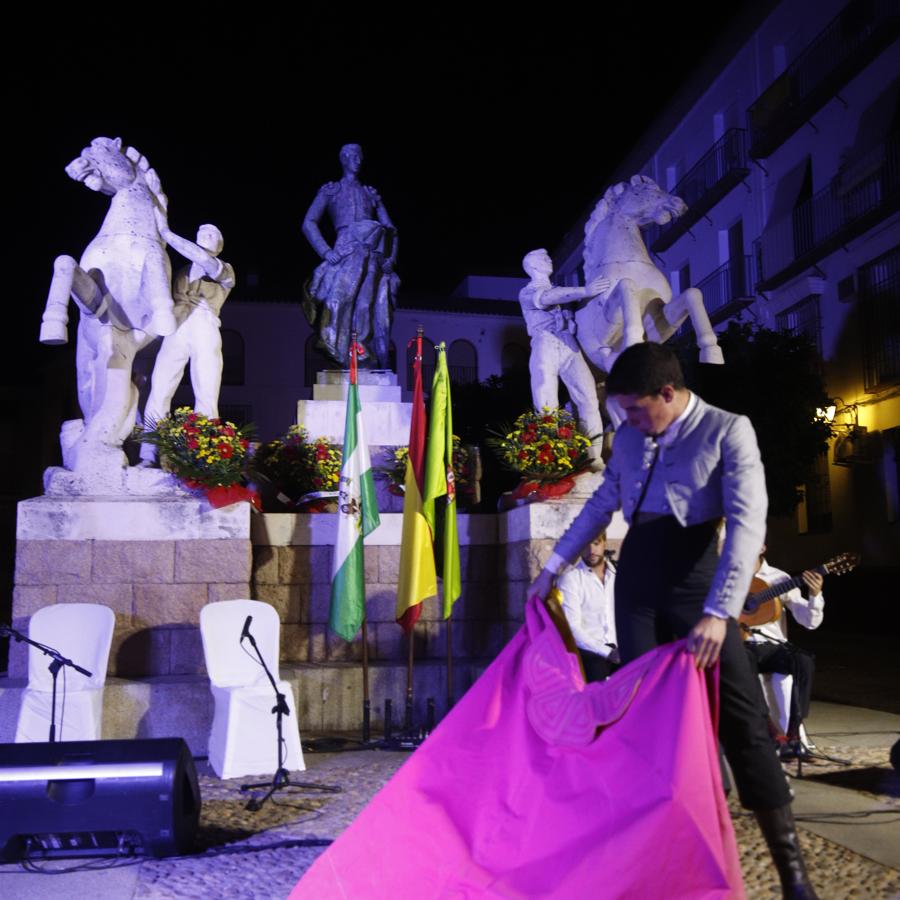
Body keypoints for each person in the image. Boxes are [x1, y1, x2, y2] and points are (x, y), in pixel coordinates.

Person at [528, 342, 818, 899]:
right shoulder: (633, 435)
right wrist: (555, 564)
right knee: (643, 724)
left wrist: (720, 610)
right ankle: (658, 860)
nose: (629, 424)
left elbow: (748, 525)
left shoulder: (729, 430)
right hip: (636, 583)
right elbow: (601, 504)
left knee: (743, 720)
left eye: (636, 411)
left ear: (668, 393)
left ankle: (794, 876)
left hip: (696, 584)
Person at [140, 216, 234, 463]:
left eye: (212, 233)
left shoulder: (223, 270)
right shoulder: (180, 272)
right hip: (177, 327)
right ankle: (149, 452)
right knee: (160, 388)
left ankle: (203, 454)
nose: (205, 233)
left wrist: (167, 234)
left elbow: (203, 259)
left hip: (205, 324)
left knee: (206, 391)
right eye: (201, 231)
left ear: (220, 245)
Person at [302, 143, 398, 368]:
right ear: (343, 159)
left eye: (360, 156)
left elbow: (389, 229)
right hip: (345, 248)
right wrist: (326, 251)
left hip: (370, 252)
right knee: (338, 299)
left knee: (365, 304)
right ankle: (336, 347)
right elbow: (309, 222)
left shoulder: (369, 193)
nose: (358, 160)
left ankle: (361, 352)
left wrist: (379, 203)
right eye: (353, 156)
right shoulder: (331, 190)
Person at [519, 249, 608, 460]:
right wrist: (586, 290)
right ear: (532, 267)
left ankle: (593, 458)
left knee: (588, 399)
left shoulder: (559, 289)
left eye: (549, 256)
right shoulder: (527, 292)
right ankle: (551, 458)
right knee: (546, 402)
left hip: (568, 342)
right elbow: (548, 297)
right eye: (544, 258)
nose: (549, 260)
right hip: (545, 343)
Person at [745, 546, 824, 755]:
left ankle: (794, 731)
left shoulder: (779, 579)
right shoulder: (728, 576)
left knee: (803, 661)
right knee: (743, 666)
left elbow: (809, 622)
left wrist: (815, 595)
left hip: (773, 646)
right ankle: (771, 732)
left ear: (762, 547)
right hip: (741, 645)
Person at [556, 530, 619, 682]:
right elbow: (573, 628)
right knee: (598, 692)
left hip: (621, 647)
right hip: (590, 650)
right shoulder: (571, 579)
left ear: (604, 543)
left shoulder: (619, 575)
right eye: (585, 545)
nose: (591, 551)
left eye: (596, 544)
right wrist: (608, 652)